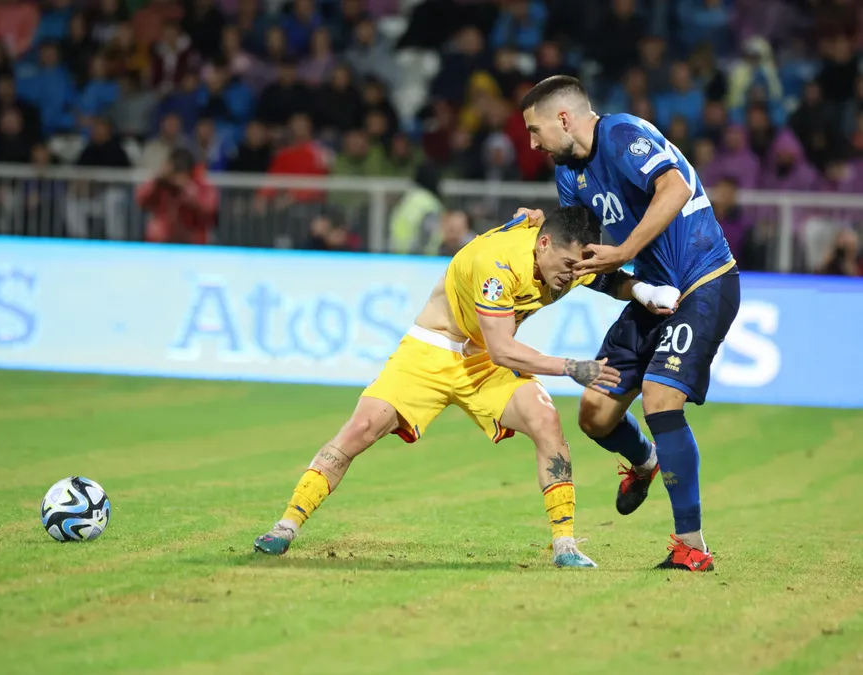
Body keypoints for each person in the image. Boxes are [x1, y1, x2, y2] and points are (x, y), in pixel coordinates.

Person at [254, 206, 682, 568]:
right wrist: (571, 366)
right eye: (567, 267)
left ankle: (565, 545)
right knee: (361, 429)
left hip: (481, 361)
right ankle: (285, 525)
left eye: (578, 267)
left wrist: (643, 291)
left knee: (545, 419)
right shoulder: (497, 265)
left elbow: (605, 279)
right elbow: (502, 350)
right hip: (435, 350)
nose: (572, 276)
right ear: (544, 244)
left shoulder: (561, 255)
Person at [518, 75, 740, 572]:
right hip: (653, 294)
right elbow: (581, 258)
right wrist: (544, 232)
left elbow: (676, 186)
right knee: (595, 414)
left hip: (702, 281)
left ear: (564, 119)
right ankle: (645, 462)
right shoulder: (568, 177)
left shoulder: (621, 135)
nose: (532, 144)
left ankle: (692, 547)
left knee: (661, 399)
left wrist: (626, 251)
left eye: (535, 131)